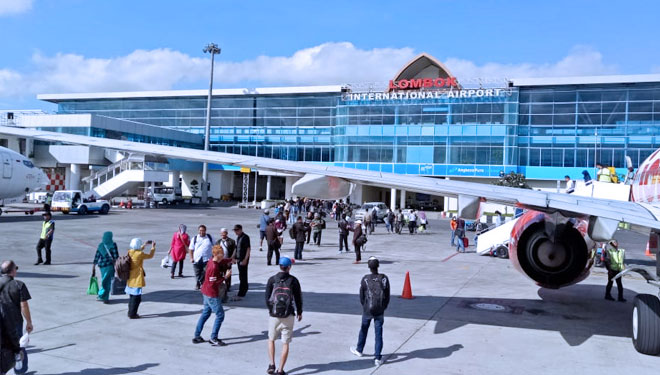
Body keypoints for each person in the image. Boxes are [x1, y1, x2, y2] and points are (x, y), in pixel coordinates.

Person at [350, 256, 390, 367]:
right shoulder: (384, 278)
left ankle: (359, 350)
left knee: (363, 329)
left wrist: (365, 306)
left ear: (369, 267)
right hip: (379, 310)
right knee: (378, 333)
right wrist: (383, 307)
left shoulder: (365, 279)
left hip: (367, 309)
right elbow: (387, 296)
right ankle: (377, 357)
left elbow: (361, 296)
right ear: (378, 266)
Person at [265, 257, 303, 375]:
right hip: (288, 315)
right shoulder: (293, 281)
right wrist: (300, 312)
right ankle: (280, 370)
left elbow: (267, 298)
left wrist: (271, 310)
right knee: (285, 343)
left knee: (271, 340)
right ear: (289, 267)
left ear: (280, 266)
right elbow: (298, 298)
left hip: (274, 315)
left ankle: (272, 365)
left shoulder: (272, 280)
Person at [193, 245, 232, 346]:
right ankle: (213, 338)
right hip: (211, 294)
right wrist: (225, 277)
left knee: (206, 313)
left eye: (222, 254)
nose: (222, 256)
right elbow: (214, 283)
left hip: (205, 292)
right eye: (220, 254)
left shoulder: (211, 261)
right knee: (220, 315)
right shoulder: (214, 267)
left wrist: (230, 260)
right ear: (215, 254)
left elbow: (221, 261)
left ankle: (197, 336)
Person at [0, 260, 33, 374]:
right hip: (14, 323)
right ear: (12, 271)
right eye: (16, 268)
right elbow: (23, 305)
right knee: (19, 347)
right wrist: (29, 322)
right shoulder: (19, 285)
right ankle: (20, 371)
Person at [126, 238, 156, 319]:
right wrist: (153, 248)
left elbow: (137, 249)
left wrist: (144, 245)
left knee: (131, 296)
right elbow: (150, 256)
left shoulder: (129, 252)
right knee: (137, 298)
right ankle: (133, 314)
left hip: (130, 277)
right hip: (137, 277)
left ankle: (130, 312)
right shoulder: (139, 254)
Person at [93, 232, 119, 302]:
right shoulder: (113, 245)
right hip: (109, 266)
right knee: (107, 281)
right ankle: (103, 296)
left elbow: (97, 255)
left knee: (104, 280)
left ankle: (102, 295)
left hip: (102, 266)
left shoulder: (101, 245)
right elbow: (116, 256)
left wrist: (94, 264)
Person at [189, 225, 214, 290]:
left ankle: (203, 283)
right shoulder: (195, 238)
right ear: (198, 231)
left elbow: (215, 246)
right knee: (197, 272)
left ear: (205, 231)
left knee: (206, 272)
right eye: (200, 230)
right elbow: (191, 249)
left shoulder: (209, 237)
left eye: (203, 230)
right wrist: (191, 258)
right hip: (197, 258)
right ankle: (198, 283)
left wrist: (214, 257)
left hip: (207, 259)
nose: (202, 232)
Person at [216, 228, 236, 297]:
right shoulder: (218, 242)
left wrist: (232, 259)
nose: (222, 235)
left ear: (226, 233)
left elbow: (234, 251)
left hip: (228, 260)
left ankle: (228, 286)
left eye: (224, 233)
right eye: (221, 233)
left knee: (228, 273)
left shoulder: (231, 241)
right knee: (220, 273)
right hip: (220, 261)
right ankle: (220, 284)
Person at [233, 224, 251, 298]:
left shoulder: (245, 237)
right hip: (238, 259)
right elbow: (236, 249)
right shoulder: (238, 238)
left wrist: (245, 259)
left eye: (237, 230)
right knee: (241, 275)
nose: (236, 232)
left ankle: (243, 291)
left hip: (243, 259)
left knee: (243, 275)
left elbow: (248, 249)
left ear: (241, 229)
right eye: (235, 230)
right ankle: (242, 289)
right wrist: (233, 257)